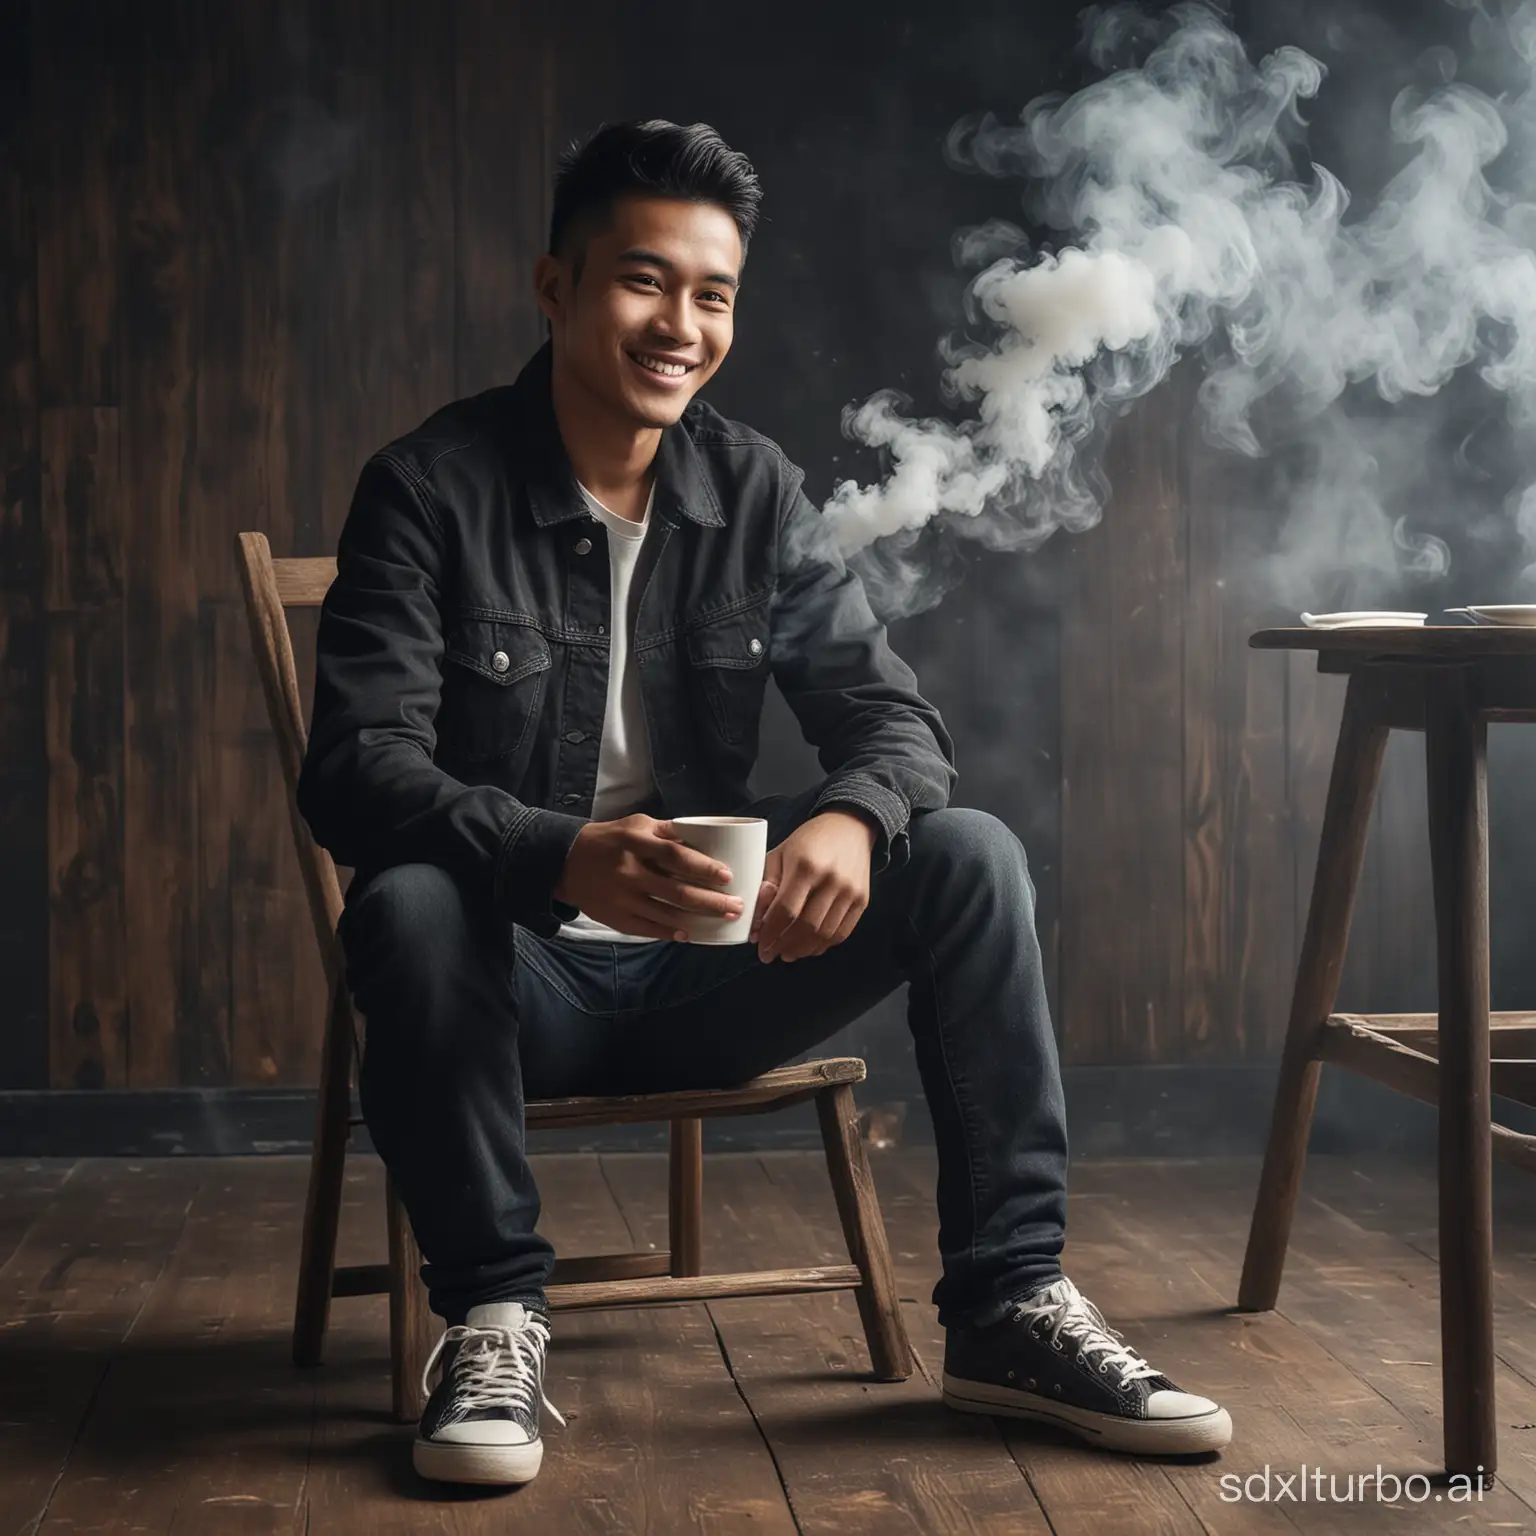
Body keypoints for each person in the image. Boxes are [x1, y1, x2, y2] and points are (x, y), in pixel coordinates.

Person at [296, 117, 1232, 1489]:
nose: (680, 323)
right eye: (642, 280)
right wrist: (562, 857)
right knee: (410, 897)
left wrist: (852, 818)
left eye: (713, 293)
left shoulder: (754, 489)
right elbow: (356, 769)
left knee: (963, 851)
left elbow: (891, 719)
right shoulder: (428, 490)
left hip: (716, 978)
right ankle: (494, 1316)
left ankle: (1007, 1308)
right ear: (555, 287)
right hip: (511, 999)